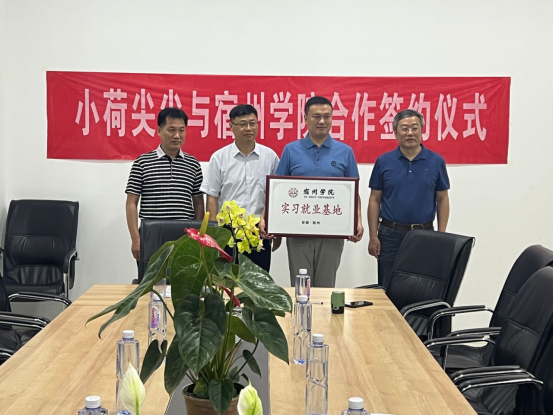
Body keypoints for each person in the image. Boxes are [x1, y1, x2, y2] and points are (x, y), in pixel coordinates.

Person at [261, 96, 364, 287]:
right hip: (298, 232)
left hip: (332, 232)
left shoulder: (345, 152)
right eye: (316, 116)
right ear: (305, 119)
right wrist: (266, 219)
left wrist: (357, 220)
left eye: (327, 116)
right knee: (301, 287)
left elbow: (353, 192)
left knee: (326, 286)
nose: (322, 121)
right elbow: (277, 190)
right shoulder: (291, 150)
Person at [367, 109, 450, 288]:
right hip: (389, 235)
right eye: (404, 128)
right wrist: (373, 235)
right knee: (387, 288)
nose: (410, 133)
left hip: (424, 235)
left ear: (422, 130)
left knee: (420, 288)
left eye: (415, 128)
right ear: (395, 132)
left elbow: (442, 199)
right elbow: (374, 199)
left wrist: (441, 236)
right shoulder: (384, 161)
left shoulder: (436, 162)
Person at [201, 104, 280, 271]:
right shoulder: (219, 158)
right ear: (231, 127)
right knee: (225, 280)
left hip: (259, 230)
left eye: (253, 123)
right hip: (227, 232)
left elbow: (276, 196)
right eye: (243, 124)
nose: (248, 128)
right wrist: (213, 236)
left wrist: (277, 230)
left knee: (258, 281)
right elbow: (212, 197)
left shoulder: (270, 157)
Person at [125, 107, 204, 260]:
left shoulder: (193, 164)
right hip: (152, 234)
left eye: (181, 130)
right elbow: (131, 203)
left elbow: (199, 203)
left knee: (183, 274)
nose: (177, 135)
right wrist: (135, 238)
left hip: (185, 234)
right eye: (171, 130)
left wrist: (198, 235)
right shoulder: (142, 162)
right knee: (150, 275)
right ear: (159, 130)